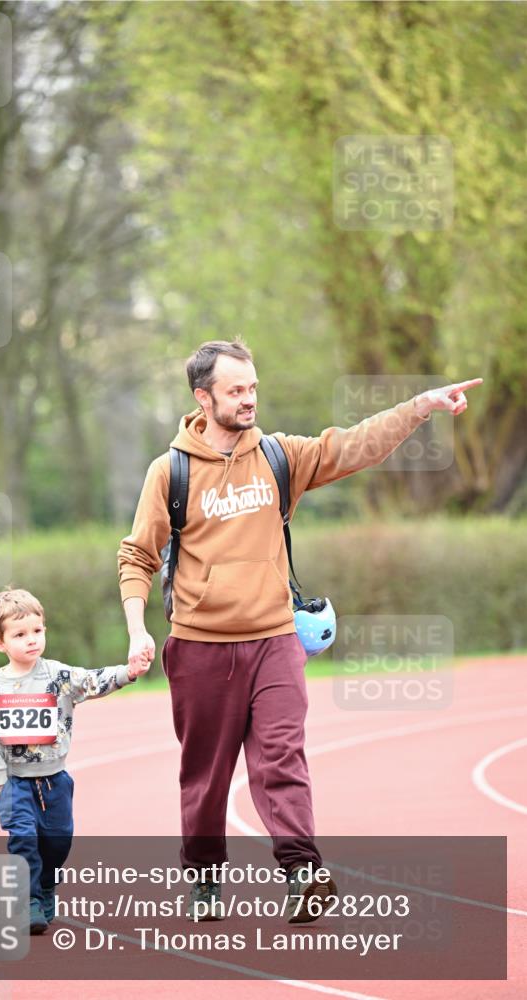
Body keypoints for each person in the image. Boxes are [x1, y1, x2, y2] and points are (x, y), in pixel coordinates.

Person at [117, 339, 482, 923]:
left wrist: (418, 406)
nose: (249, 399)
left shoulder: (280, 456)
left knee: (281, 759)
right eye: (235, 391)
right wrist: (138, 629)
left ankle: (302, 873)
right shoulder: (171, 472)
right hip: (200, 648)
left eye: (253, 387)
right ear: (202, 397)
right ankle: (206, 880)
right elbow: (137, 555)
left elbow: (354, 445)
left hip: (276, 641)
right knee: (206, 780)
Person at [0, 587, 149, 934]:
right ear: (0, 643)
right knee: (23, 837)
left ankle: (46, 886)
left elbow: (92, 681)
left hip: (54, 779)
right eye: (20, 634)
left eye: (37, 631)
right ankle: (27, 901)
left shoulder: (57, 676)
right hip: (14, 779)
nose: (31, 640)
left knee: (58, 841)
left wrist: (128, 672)